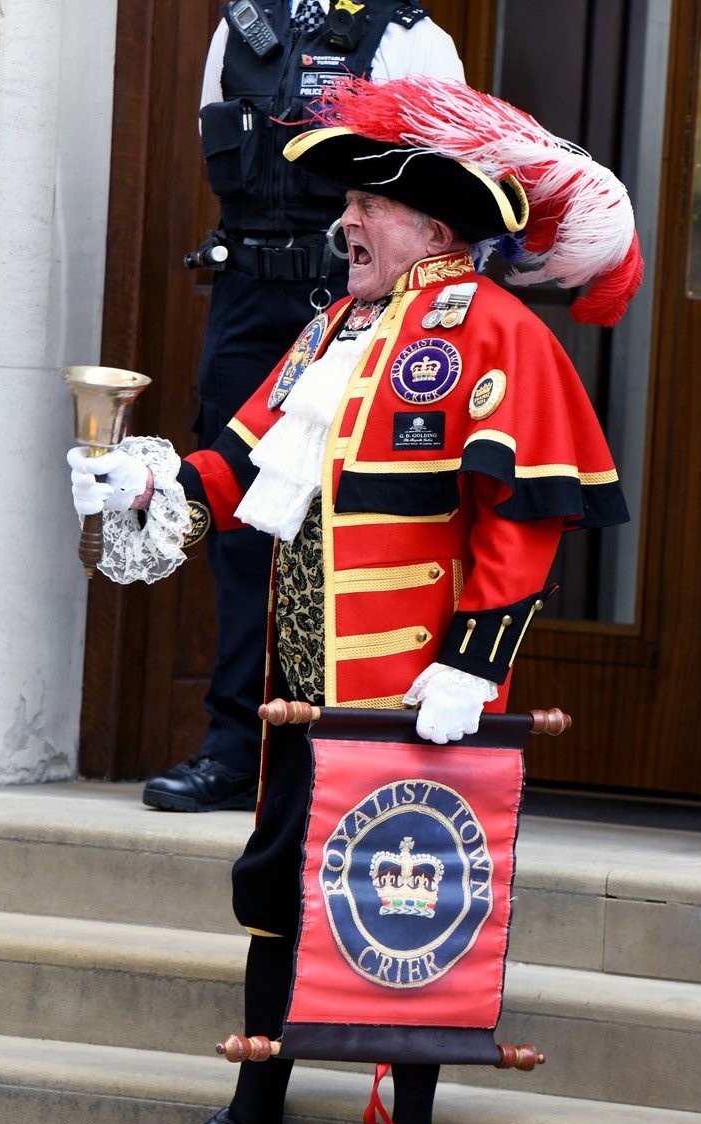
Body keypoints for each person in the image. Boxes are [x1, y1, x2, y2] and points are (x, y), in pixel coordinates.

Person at [69, 75, 642, 1124]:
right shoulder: (330, 330)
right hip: (304, 686)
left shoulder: (493, 331)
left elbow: (522, 519)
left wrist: (473, 665)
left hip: (416, 691)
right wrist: (147, 479)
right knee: (282, 889)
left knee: (407, 897)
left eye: (365, 208)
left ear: (435, 229)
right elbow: (245, 466)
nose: (341, 225)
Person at [142, 0, 465, 814]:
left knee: (358, 523)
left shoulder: (412, 39)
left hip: (357, 297)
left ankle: (350, 742)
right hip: (249, 299)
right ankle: (234, 747)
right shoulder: (241, 27)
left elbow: (439, 191)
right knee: (239, 519)